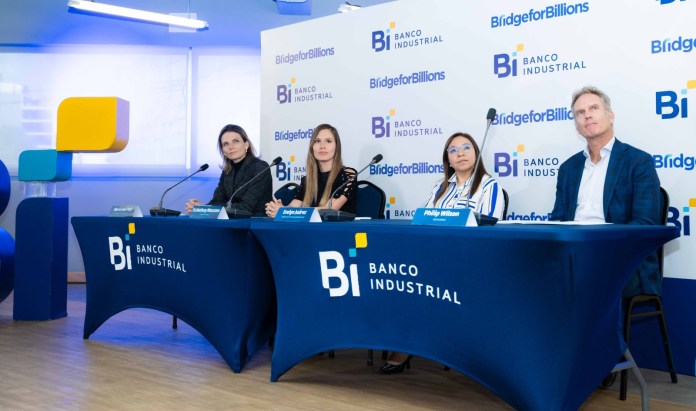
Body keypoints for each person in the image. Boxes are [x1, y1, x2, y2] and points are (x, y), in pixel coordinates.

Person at [379, 132, 505, 375]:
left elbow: (489, 231)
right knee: (404, 278)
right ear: (447, 159)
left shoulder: (489, 186)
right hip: (435, 257)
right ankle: (407, 343)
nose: (461, 153)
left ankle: (420, 345)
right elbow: (424, 221)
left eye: (467, 147)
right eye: (453, 150)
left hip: (471, 260)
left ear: (476, 154)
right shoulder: (440, 187)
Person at [550, 86, 661, 298]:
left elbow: (645, 224)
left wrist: (598, 247)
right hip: (574, 257)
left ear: (610, 116)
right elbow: (558, 221)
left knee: (588, 281)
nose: (587, 115)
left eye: (593, 108)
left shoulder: (638, 162)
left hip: (621, 259)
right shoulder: (568, 168)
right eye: (580, 113)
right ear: (577, 126)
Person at [265, 123, 357, 218]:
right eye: (317, 141)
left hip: (337, 231)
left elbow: (329, 210)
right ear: (312, 147)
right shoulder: (307, 180)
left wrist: (285, 212)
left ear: (336, 147)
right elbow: (293, 206)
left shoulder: (348, 175)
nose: (322, 146)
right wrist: (279, 208)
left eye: (328, 141)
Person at [185, 124, 272, 216]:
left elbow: (246, 207)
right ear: (223, 151)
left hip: (255, 222)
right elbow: (217, 201)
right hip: (231, 221)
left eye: (236, 141)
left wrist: (210, 210)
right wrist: (201, 208)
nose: (231, 147)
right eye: (225, 144)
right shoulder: (227, 170)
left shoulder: (260, 167)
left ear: (246, 145)